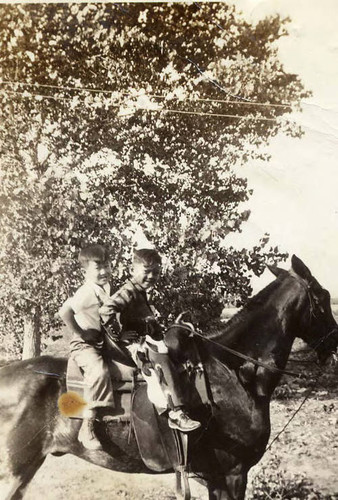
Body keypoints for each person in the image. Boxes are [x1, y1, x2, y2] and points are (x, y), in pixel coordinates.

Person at [99, 248, 201, 432]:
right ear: (132, 270)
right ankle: (175, 412)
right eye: (146, 272)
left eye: (156, 272)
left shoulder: (142, 291)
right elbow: (106, 310)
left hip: (149, 339)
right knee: (159, 362)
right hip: (137, 343)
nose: (151, 276)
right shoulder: (128, 291)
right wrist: (118, 335)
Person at [59, 244, 123, 450]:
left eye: (107, 266)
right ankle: (87, 426)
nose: (104, 271)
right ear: (85, 271)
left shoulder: (104, 288)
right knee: (98, 371)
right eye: (98, 268)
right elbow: (64, 312)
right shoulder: (86, 291)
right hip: (84, 345)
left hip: (102, 341)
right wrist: (81, 332)